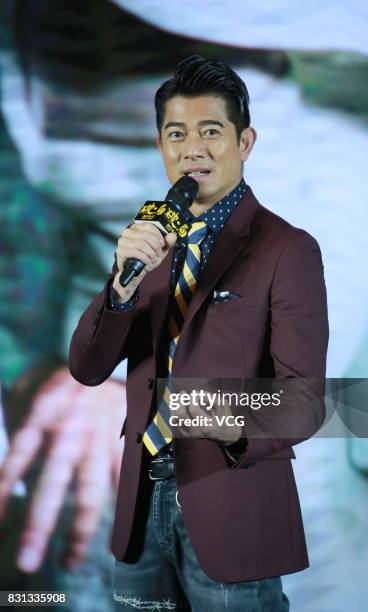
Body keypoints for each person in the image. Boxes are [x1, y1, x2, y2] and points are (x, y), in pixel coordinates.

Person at [69, 55, 329, 610]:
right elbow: (88, 368)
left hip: (232, 509)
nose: (192, 148)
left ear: (245, 141)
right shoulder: (150, 242)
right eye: (176, 133)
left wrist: (194, 411)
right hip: (139, 512)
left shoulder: (288, 249)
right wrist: (120, 286)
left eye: (211, 131)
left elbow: (305, 401)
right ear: (162, 145)